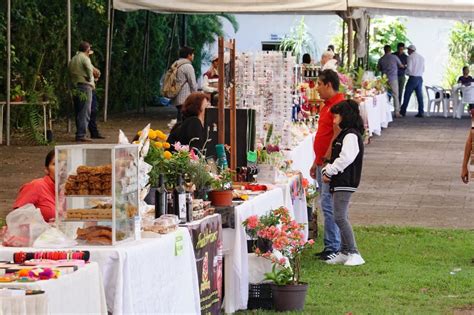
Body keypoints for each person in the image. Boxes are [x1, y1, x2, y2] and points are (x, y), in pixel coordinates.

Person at [322, 100, 365, 266]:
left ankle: (354, 252)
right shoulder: (345, 134)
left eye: (337, 115)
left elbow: (346, 158)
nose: (334, 119)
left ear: (345, 116)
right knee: (341, 214)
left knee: (339, 217)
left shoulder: (351, 135)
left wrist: (330, 170)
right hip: (340, 180)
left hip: (345, 180)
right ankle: (344, 250)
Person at [310, 69, 345, 261]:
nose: (317, 89)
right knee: (326, 203)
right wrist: (315, 161)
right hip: (321, 162)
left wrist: (326, 158)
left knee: (328, 203)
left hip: (328, 163)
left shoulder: (338, 105)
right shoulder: (326, 106)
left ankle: (333, 246)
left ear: (329, 85)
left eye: (319, 85)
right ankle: (331, 244)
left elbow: (336, 134)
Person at [12, 150, 55, 222]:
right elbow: (16, 217)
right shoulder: (36, 186)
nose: (61, 167)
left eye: (65, 164)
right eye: (55, 164)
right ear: (46, 169)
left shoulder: (74, 192)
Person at [68, 41, 95, 142]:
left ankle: (79, 133)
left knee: (78, 111)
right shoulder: (85, 58)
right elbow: (89, 71)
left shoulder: (73, 59)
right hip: (85, 86)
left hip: (75, 87)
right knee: (85, 111)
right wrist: (90, 78)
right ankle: (81, 134)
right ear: (87, 50)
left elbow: (69, 71)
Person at [172, 46, 198, 122]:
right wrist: (195, 96)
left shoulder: (176, 64)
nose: (193, 56)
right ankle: (182, 132)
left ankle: (179, 131)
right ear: (188, 55)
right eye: (192, 54)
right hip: (185, 98)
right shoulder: (188, 66)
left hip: (177, 96)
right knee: (184, 119)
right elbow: (193, 84)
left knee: (180, 116)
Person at [378, 45, 404, 117]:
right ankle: (397, 112)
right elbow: (401, 65)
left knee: (385, 95)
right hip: (393, 78)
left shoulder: (381, 59)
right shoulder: (394, 57)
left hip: (384, 79)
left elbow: (379, 68)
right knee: (395, 95)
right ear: (390, 50)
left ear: (384, 50)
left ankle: (385, 112)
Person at [399, 45, 425, 118]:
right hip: (420, 78)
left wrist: (406, 72)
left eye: (408, 50)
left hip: (412, 78)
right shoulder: (421, 57)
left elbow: (409, 68)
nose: (407, 52)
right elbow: (423, 69)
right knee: (419, 96)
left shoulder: (410, 57)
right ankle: (421, 111)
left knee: (407, 94)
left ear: (410, 50)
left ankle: (403, 111)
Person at [87, 49, 105, 139]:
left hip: (87, 87)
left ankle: (93, 132)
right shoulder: (86, 61)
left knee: (88, 111)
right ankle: (93, 132)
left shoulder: (78, 59)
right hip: (89, 87)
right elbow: (96, 72)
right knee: (92, 110)